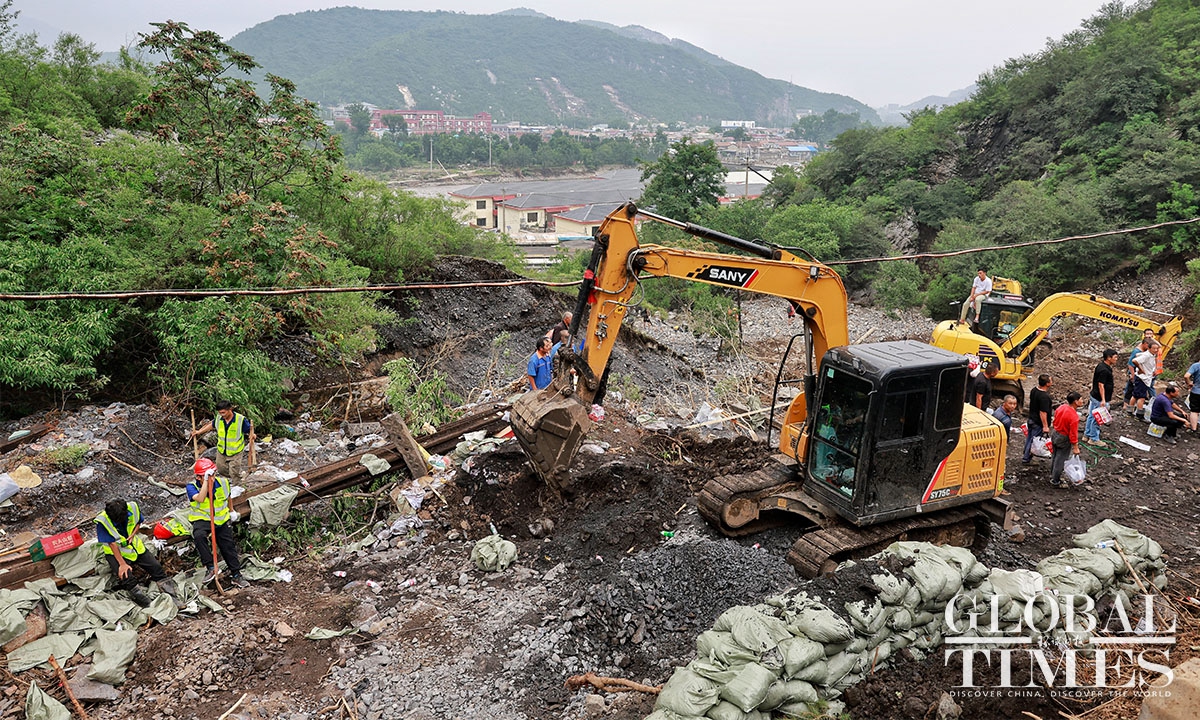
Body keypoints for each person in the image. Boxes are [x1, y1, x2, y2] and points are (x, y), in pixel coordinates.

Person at [95, 498, 175, 607]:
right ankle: (147, 604)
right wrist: (122, 564)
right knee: (126, 577)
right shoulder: (103, 521)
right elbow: (112, 544)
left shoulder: (133, 508)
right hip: (115, 552)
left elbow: (138, 522)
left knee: (156, 567)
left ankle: (172, 595)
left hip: (135, 547)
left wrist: (133, 534)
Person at [187, 458, 248, 588]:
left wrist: (231, 511)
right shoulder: (192, 487)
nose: (212, 478)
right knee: (199, 536)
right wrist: (206, 482)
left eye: (213, 475)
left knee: (228, 546)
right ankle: (210, 567)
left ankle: (236, 575)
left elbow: (228, 497)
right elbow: (200, 498)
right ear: (198, 477)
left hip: (220, 519)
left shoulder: (223, 483)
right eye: (207, 476)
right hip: (203, 519)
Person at [190, 400, 255, 481]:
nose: (222, 415)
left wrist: (252, 435)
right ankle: (234, 477)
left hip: (236, 451)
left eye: (223, 412)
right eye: (220, 413)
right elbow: (211, 425)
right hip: (222, 450)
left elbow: (249, 430)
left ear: (230, 409)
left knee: (234, 470)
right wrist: (199, 432)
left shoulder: (240, 420)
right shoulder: (219, 418)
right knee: (221, 469)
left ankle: (237, 484)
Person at [1084, 349, 1119, 446]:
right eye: (1115, 357)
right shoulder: (1104, 370)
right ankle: (1094, 438)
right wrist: (1103, 399)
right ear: (1109, 358)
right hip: (1099, 398)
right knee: (1097, 418)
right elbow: (1101, 385)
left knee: (1092, 415)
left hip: (1095, 395)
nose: (1116, 359)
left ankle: (1087, 434)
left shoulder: (1102, 366)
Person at [1050, 392, 1084, 488]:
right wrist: (1075, 447)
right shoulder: (1074, 417)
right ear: (1076, 401)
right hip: (1064, 437)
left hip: (1055, 433)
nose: (1082, 401)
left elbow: (1055, 420)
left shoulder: (1062, 407)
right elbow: (1073, 434)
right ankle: (1055, 480)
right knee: (1061, 459)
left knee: (1055, 456)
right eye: (1081, 399)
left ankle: (1052, 473)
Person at [1023, 374, 1053, 464]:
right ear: (1047, 383)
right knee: (1034, 441)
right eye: (1051, 380)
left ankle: (1026, 455)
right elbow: (1043, 412)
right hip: (1038, 422)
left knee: (1029, 439)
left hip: (1032, 419)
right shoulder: (1044, 397)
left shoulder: (1034, 390)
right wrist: (1045, 426)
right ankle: (1026, 458)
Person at [1130, 340, 1157, 421]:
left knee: (1135, 395)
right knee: (1141, 397)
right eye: (1154, 348)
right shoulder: (1146, 355)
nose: (1156, 350)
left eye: (1157, 349)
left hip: (1144, 377)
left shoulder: (1151, 355)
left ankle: (1129, 411)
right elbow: (1134, 361)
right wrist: (1141, 369)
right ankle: (1139, 415)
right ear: (1149, 348)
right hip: (1143, 378)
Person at [1185, 358, 1200, 432]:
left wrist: (1189, 383)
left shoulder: (1196, 365)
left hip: (1196, 392)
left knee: (1194, 411)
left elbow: (1186, 376)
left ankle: (1194, 429)